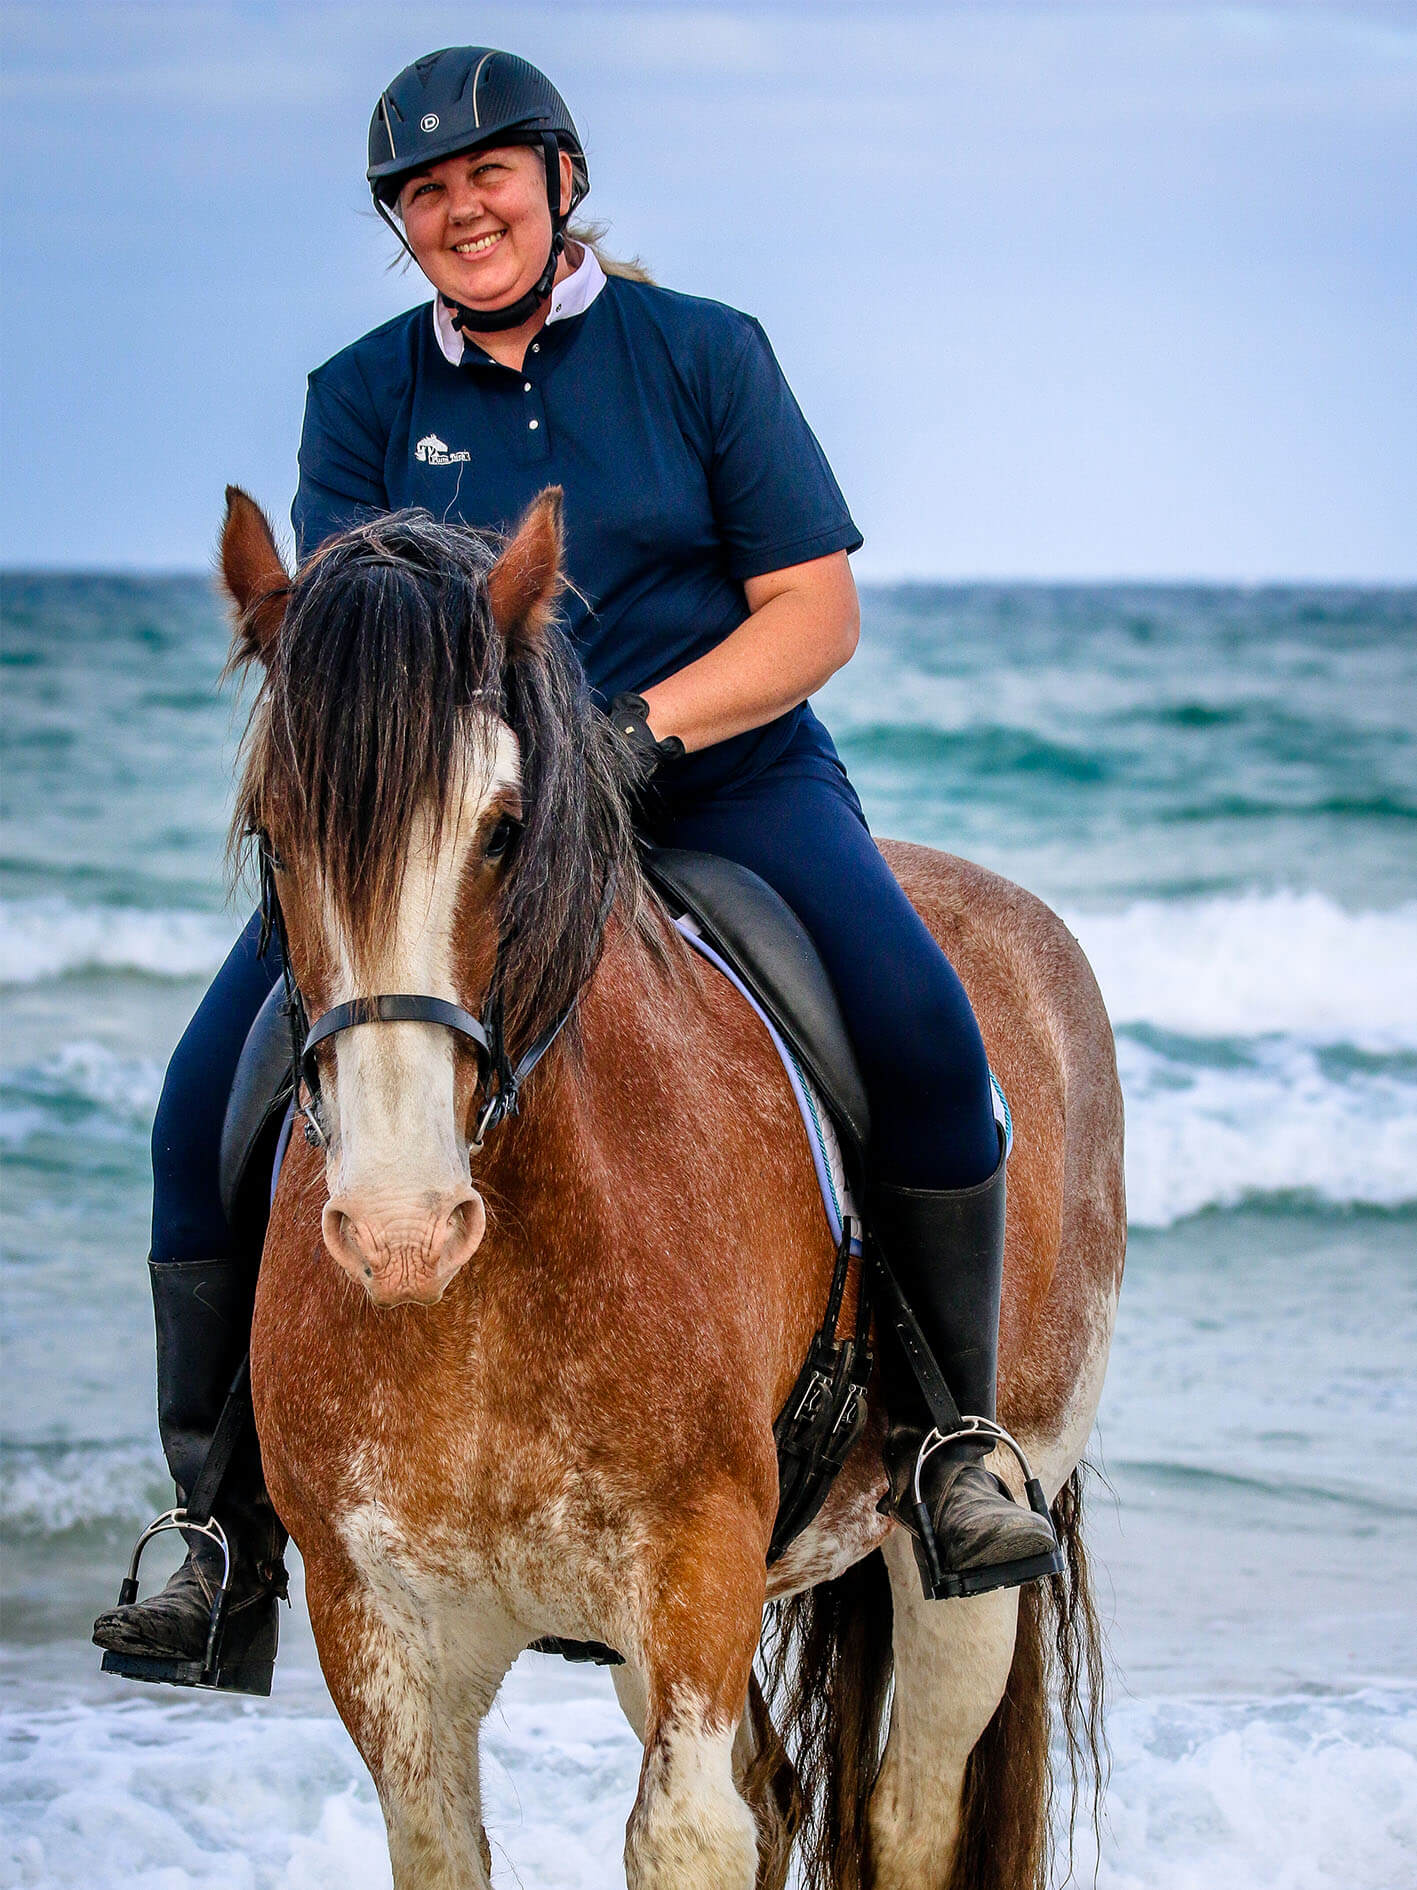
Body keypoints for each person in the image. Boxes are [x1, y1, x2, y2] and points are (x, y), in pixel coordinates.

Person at [94, 45, 1059, 1690]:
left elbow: (813, 614)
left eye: (486, 175)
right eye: (421, 191)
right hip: (451, 828)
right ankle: (217, 1527)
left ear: (559, 180)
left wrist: (632, 739)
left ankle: (952, 1443)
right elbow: (338, 641)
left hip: (715, 787)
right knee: (205, 1099)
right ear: (399, 225)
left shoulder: (704, 354)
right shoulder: (364, 395)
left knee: (921, 1036)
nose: (457, 208)